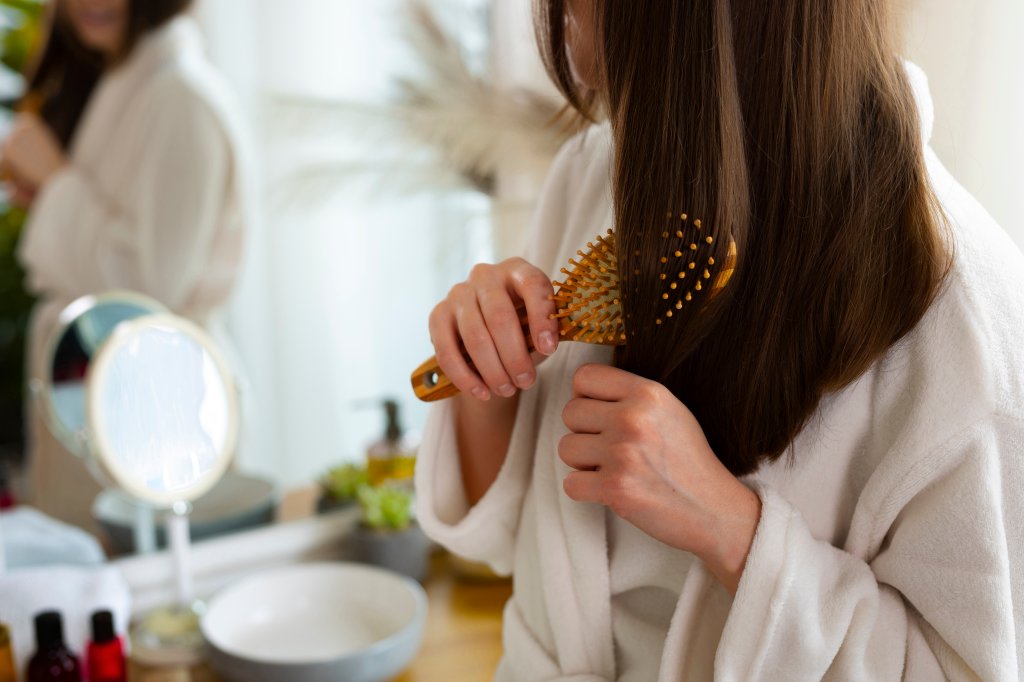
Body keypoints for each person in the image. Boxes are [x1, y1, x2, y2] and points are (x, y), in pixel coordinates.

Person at [415, 0, 1024, 679]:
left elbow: (967, 667)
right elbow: (505, 541)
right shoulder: (595, 170)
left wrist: (730, 529)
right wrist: (486, 376)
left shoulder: (968, 326)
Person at [1, 0, 249, 530]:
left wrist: (56, 180)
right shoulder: (118, 81)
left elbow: (150, 285)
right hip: (112, 392)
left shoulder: (181, 98)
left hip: (161, 405)